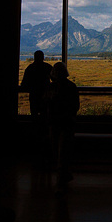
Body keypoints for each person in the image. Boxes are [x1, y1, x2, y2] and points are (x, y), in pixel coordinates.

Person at [45, 61, 80, 192]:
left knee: (56, 148)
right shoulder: (71, 86)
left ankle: (61, 174)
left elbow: (45, 102)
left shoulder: (51, 87)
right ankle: (63, 173)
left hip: (55, 122)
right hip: (67, 122)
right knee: (64, 149)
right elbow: (76, 105)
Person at [21, 50, 52, 128]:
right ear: (43, 57)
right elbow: (55, 80)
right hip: (45, 97)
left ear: (34, 57)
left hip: (34, 96)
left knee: (34, 117)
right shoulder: (47, 67)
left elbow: (24, 84)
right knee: (45, 116)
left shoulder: (30, 68)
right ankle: (45, 133)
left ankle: (35, 133)